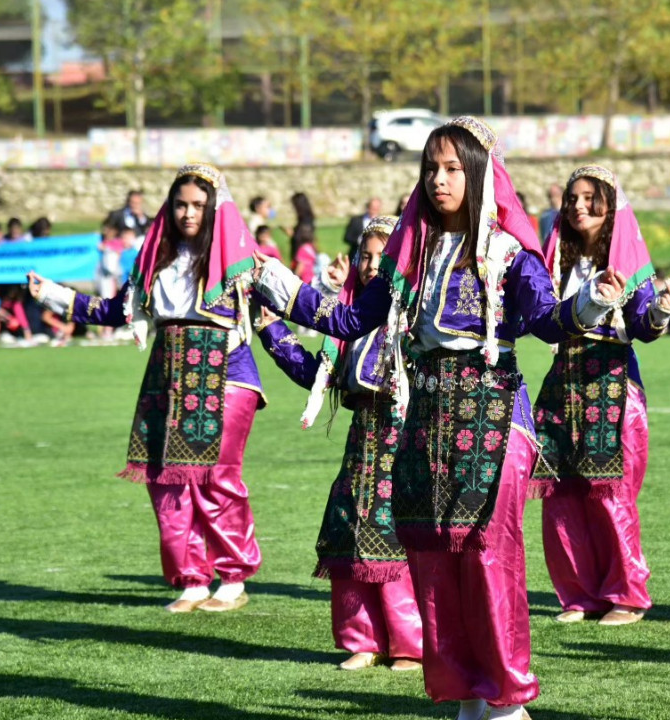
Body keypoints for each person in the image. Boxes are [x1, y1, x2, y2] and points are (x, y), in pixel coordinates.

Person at [252, 117, 633, 720]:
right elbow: (351, 320)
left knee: (489, 554)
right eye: (431, 168)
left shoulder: (508, 252)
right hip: (426, 415)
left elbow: (544, 320)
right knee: (433, 557)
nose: (438, 179)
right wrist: (273, 282)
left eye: (453, 167)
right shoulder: (413, 254)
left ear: (479, 173)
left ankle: (507, 699)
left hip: (492, 411)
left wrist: (591, 301)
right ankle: (464, 691)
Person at [29, 162, 265, 613]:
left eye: (198, 205)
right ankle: (192, 579)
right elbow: (116, 309)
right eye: (180, 204)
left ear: (214, 208)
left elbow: (281, 309)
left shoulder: (241, 260)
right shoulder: (156, 258)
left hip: (228, 372)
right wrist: (54, 295)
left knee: (216, 477)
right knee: (166, 480)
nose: (189, 213)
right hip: (169, 376)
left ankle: (233, 576)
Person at [258, 215, 423, 673]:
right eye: (365, 257)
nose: (371, 266)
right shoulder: (348, 324)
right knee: (347, 533)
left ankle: (410, 644)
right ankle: (362, 640)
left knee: (396, 536)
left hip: (405, 437)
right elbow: (318, 377)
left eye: (380, 258)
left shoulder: (415, 319)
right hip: (362, 441)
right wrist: (272, 330)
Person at [530, 165, 670, 628]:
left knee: (609, 492)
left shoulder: (625, 258)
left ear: (609, 206)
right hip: (562, 384)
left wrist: (659, 310)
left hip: (612, 383)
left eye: (588, 198)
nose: (577, 206)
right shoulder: (557, 261)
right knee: (561, 492)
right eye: (571, 198)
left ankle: (627, 595)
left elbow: (641, 326)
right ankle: (578, 594)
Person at [285, 191, 318, 284]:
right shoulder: (305, 218)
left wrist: (293, 234)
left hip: (302, 255)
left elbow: (305, 236)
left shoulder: (306, 219)